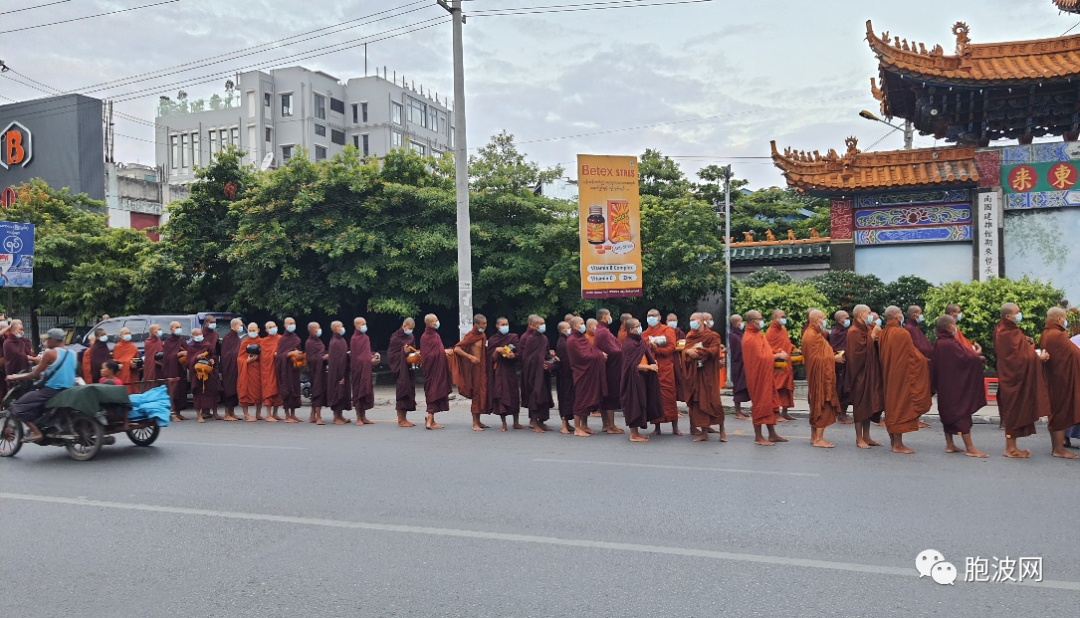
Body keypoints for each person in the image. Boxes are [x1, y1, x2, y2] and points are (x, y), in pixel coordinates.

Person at [994, 303, 1049, 458]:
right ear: (1008, 316)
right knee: (1014, 411)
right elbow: (1016, 358)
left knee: (1016, 411)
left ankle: (1011, 447)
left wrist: (1025, 342)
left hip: (1013, 377)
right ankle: (1010, 449)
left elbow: (1016, 350)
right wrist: (1038, 357)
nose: (1020, 314)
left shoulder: (1005, 328)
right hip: (1012, 378)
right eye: (1017, 312)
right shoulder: (1006, 332)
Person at [929, 314, 988, 458]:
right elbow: (969, 358)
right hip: (956, 386)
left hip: (945, 384)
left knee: (947, 413)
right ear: (950, 326)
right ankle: (970, 448)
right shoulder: (950, 343)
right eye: (954, 325)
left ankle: (950, 444)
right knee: (961, 414)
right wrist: (978, 356)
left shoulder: (940, 342)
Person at [878, 306, 932, 455]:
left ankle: (893, 442)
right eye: (900, 314)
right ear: (897, 317)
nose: (902, 316)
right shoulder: (902, 333)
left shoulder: (883, 333)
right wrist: (924, 361)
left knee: (891, 406)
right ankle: (898, 445)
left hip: (889, 375)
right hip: (900, 377)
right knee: (899, 407)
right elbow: (912, 355)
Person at [7, 329, 75, 443]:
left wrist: (14, 377)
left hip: (52, 390)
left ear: (54, 340)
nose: (47, 342)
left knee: (18, 406)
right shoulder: (73, 353)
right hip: (69, 388)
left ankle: (36, 432)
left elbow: (34, 374)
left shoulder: (50, 353)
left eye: (48, 340)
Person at [741, 311, 787, 445]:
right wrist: (778, 357)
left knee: (770, 404)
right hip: (757, 377)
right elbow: (760, 358)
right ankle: (758, 437)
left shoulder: (758, 335)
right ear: (752, 321)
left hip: (766, 375)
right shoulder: (749, 337)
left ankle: (772, 434)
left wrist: (776, 352)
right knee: (760, 404)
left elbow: (766, 351)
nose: (762, 321)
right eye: (759, 319)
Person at [1040, 307, 1080, 459]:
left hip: (1056, 377)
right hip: (1061, 380)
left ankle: (1058, 447)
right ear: (1058, 319)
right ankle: (1058, 449)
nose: (1066, 321)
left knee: (1056, 412)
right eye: (1064, 318)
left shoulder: (1047, 333)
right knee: (1060, 412)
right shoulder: (1057, 334)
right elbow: (1075, 354)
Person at [681, 312, 725, 442]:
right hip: (696, 374)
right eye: (690, 320)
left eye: (694, 320)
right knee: (699, 402)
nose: (692, 322)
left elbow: (714, 351)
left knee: (714, 402)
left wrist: (698, 351)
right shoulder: (691, 336)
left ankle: (722, 431)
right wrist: (688, 352)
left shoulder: (713, 336)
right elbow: (685, 351)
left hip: (709, 373)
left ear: (701, 321)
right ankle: (704, 432)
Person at [802, 309, 843, 448]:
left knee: (816, 404)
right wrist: (834, 358)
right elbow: (816, 359)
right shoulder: (812, 336)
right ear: (815, 320)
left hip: (818, 376)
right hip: (820, 378)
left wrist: (831, 356)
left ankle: (814, 437)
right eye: (823, 318)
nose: (825, 321)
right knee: (823, 404)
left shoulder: (814, 334)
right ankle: (818, 439)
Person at [846, 304, 885, 449]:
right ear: (861, 314)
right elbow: (858, 354)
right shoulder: (853, 331)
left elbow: (871, 346)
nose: (870, 316)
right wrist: (874, 334)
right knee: (860, 406)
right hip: (859, 375)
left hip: (870, 373)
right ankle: (858, 438)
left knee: (868, 406)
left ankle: (867, 436)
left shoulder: (865, 329)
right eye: (868, 313)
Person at [621, 318, 663, 443]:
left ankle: (637, 432)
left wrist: (652, 362)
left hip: (642, 377)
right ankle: (633, 434)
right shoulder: (629, 344)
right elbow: (631, 366)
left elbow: (645, 354)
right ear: (631, 329)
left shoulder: (639, 340)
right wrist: (649, 366)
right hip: (633, 379)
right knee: (634, 404)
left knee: (642, 403)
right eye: (637, 326)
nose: (640, 328)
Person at [643, 308, 682, 435]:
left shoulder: (668, 330)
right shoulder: (644, 334)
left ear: (659, 317)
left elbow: (671, 347)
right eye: (649, 315)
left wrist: (657, 349)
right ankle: (657, 428)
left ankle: (675, 427)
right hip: (652, 369)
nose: (651, 318)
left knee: (669, 397)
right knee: (654, 398)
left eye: (654, 315)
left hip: (666, 369)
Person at [566, 317, 606, 437]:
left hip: (588, 373)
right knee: (580, 400)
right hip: (581, 373)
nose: (583, 325)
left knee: (587, 400)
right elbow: (583, 356)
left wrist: (598, 353)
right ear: (574, 326)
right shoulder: (573, 340)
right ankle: (577, 428)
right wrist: (600, 355)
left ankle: (584, 425)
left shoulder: (581, 338)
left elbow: (590, 350)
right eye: (581, 324)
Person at [487, 317, 524, 432]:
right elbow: (491, 359)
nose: (505, 326)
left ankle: (516, 422)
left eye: (506, 324)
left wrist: (514, 356)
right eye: (502, 324)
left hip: (511, 371)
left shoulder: (513, 337)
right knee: (500, 396)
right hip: (499, 372)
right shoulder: (493, 340)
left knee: (514, 395)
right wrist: (497, 351)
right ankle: (504, 423)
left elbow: (520, 354)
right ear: (497, 326)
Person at [519, 315, 554, 433]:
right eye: (540, 323)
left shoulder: (544, 338)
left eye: (543, 322)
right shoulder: (529, 339)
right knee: (535, 394)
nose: (542, 325)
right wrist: (540, 360)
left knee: (544, 394)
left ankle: (542, 421)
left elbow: (546, 353)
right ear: (533, 326)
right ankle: (533, 421)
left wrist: (551, 358)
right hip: (532, 373)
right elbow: (526, 358)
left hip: (542, 372)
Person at [454, 314, 489, 431]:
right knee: (476, 394)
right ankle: (474, 423)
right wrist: (470, 357)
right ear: (476, 325)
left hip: (482, 368)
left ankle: (479, 420)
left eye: (486, 323)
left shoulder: (482, 335)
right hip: (474, 370)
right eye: (483, 324)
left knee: (481, 393)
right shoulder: (470, 336)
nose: (485, 326)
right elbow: (457, 349)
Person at [593, 309, 625, 435]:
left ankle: (606, 425)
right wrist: (622, 352)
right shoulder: (602, 331)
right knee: (610, 395)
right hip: (610, 367)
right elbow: (614, 350)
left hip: (608, 366)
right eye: (610, 315)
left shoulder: (603, 330)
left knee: (605, 396)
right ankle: (611, 426)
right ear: (605, 316)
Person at [420, 314, 451, 430]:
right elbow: (428, 355)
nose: (437, 322)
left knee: (434, 392)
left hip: (438, 370)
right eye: (435, 321)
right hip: (431, 371)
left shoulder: (435, 335)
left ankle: (431, 421)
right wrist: (442, 352)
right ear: (429, 324)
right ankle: (429, 420)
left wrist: (443, 352)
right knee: (433, 392)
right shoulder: (425, 337)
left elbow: (437, 351)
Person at [765, 310, 797, 422]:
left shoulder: (783, 330)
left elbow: (786, 343)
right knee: (777, 388)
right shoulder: (770, 332)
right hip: (777, 365)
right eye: (781, 316)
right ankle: (776, 412)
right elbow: (767, 348)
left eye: (785, 316)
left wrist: (793, 348)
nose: (784, 318)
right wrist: (778, 353)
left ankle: (785, 412)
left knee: (786, 389)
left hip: (786, 364)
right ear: (775, 318)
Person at [388, 318, 418, 427]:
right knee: (402, 392)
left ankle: (405, 419)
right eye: (409, 328)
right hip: (401, 370)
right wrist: (403, 352)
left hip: (409, 369)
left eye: (412, 329)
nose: (411, 331)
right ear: (404, 326)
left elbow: (413, 348)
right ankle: (401, 420)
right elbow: (392, 355)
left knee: (409, 392)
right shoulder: (396, 338)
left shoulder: (410, 337)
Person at [187, 327, 221, 423]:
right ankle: (199, 415)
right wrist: (196, 357)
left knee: (212, 391)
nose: (199, 336)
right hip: (197, 374)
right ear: (192, 336)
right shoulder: (191, 347)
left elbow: (212, 355)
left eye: (200, 334)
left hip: (208, 373)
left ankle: (214, 413)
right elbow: (187, 362)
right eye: (196, 335)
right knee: (198, 393)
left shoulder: (207, 345)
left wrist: (212, 360)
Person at [275, 317, 304, 423]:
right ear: (285, 325)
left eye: (293, 323)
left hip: (294, 369)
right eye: (290, 323)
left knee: (295, 389)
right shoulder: (282, 339)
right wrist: (291, 353)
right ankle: (287, 416)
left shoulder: (296, 338)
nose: (292, 325)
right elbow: (279, 356)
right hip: (285, 370)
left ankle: (293, 414)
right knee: (287, 389)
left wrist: (299, 355)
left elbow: (298, 351)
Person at [350, 317, 379, 425]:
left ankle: (364, 417)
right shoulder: (354, 339)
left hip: (366, 369)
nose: (364, 326)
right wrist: (369, 360)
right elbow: (356, 357)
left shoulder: (365, 338)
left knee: (366, 391)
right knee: (358, 392)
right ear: (357, 326)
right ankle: (358, 417)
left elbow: (366, 352)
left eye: (365, 323)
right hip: (358, 369)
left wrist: (374, 355)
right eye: (362, 324)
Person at [828, 310, 854, 424]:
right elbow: (836, 348)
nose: (849, 320)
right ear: (839, 320)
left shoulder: (846, 331)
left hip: (847, 364)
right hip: (840, 365)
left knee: (847, 390)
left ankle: (842, 414)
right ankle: (841, 415)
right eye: (846, 318)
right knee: (842, 390)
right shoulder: (836, 333)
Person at [163, 321, 189, 422]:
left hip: (180, 369)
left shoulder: (182, 340)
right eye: (176, 327)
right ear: (171, 329)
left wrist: (186, 354)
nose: (179, 328)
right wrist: (177, 355)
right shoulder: (168, 341)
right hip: (171, 370)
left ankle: (178, 413)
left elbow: (188, 352)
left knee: (181, 390)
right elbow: (167, 356)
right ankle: (172, 412)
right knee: (172, 391)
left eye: (180, 326)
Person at [238, 322, 263, 422]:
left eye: (254, 330)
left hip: (259, 371)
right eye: (250, 331)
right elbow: (239, 358)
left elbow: (266, 357)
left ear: (258, 330)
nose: (252, 332)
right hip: (247, 370)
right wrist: (247, 361)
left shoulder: (262, 342)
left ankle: (258, 414)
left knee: (259, 392)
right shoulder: (244, 343)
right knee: (245, 391)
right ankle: (246, 414)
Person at [219, 318, 243, 421]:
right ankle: (226, 414)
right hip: (228, 368)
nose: (241, 327)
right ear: (233, 326)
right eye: (240, 325)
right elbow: (225, 354)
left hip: (236, 367)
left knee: (234, 390)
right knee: (228, 389)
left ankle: (232, 412)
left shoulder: (237, 338)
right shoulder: (227, 338)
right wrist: (235, 355)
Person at [554, 320, 576, 434]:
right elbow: (566, 360)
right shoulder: (562, 342)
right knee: (565, 399)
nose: (570, 329)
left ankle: (567, 423)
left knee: (569, 398)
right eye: (568, 328)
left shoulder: (566, 340)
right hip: (564, 375)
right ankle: (563, 425)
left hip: (568, 375)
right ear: (563, 330)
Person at [727, 314, 750, 421]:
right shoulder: (733, 335)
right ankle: (737, 411)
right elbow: (740, 349)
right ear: (736, 323)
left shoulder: (740, 334)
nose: (742, 323)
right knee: (738, 387)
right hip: (738, 364)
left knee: (744, 386)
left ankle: (740, 410)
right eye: (741, 321)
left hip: (744, 363)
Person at [259, 321, 283, 421]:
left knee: (279, 390)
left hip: (278, 368)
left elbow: (284, 351)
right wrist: (272, 354)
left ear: (277, 327)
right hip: (268, 369)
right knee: (269, 390)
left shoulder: (281, 339)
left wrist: (279, 354)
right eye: (270, 327)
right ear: (266, 330)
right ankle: (268, 415)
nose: (272, 328)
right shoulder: (263, 341)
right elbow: (263, 356)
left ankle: (275, 413)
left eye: (273, 326)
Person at [305, 322, 326, 424]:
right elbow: (311, 359)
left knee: (317, 391)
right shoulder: (309, 343)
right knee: (317, 392)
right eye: (317, 328)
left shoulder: (318, 341)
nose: (319, 330)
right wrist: (323, 358)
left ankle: (312, 415)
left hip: (320, 369)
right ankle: (318, 417)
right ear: (312, 330)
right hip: (315, 371)